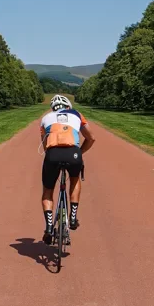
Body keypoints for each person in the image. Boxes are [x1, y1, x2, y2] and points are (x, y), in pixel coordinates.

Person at [40, 94, 95, 243]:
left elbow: (45, 146)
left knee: (48, 190)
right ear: (68, 106)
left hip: (53, 154)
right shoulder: (77, 114)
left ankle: (49, 226)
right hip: (74, 154)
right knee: (75, 180)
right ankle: (72, 217)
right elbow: (91, 138)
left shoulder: (45, 118)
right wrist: (80, 152)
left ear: (53, 108)